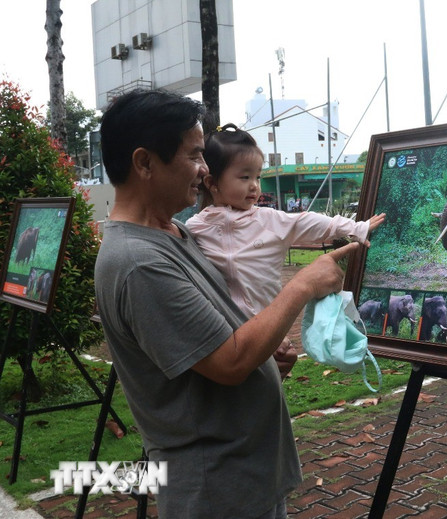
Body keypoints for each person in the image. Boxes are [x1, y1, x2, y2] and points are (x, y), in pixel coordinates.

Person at [94, 89, 356, 518]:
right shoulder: (138, 263)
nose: (204, 169)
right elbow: (230, 361)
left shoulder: (176, 235)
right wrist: (302, 285)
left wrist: (265, 355)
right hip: (216, 488)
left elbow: (221, 336)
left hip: (245, 471)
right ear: (144, 163)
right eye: (195, 155)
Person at [185, 123, 385, 320]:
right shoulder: (195, 228)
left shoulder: (268, 220)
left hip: (266, 324)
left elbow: (308, 222)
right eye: (245, 177)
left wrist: (357, 227)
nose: (254, 185)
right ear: (211, 182)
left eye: (258, 177)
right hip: (224, 329)